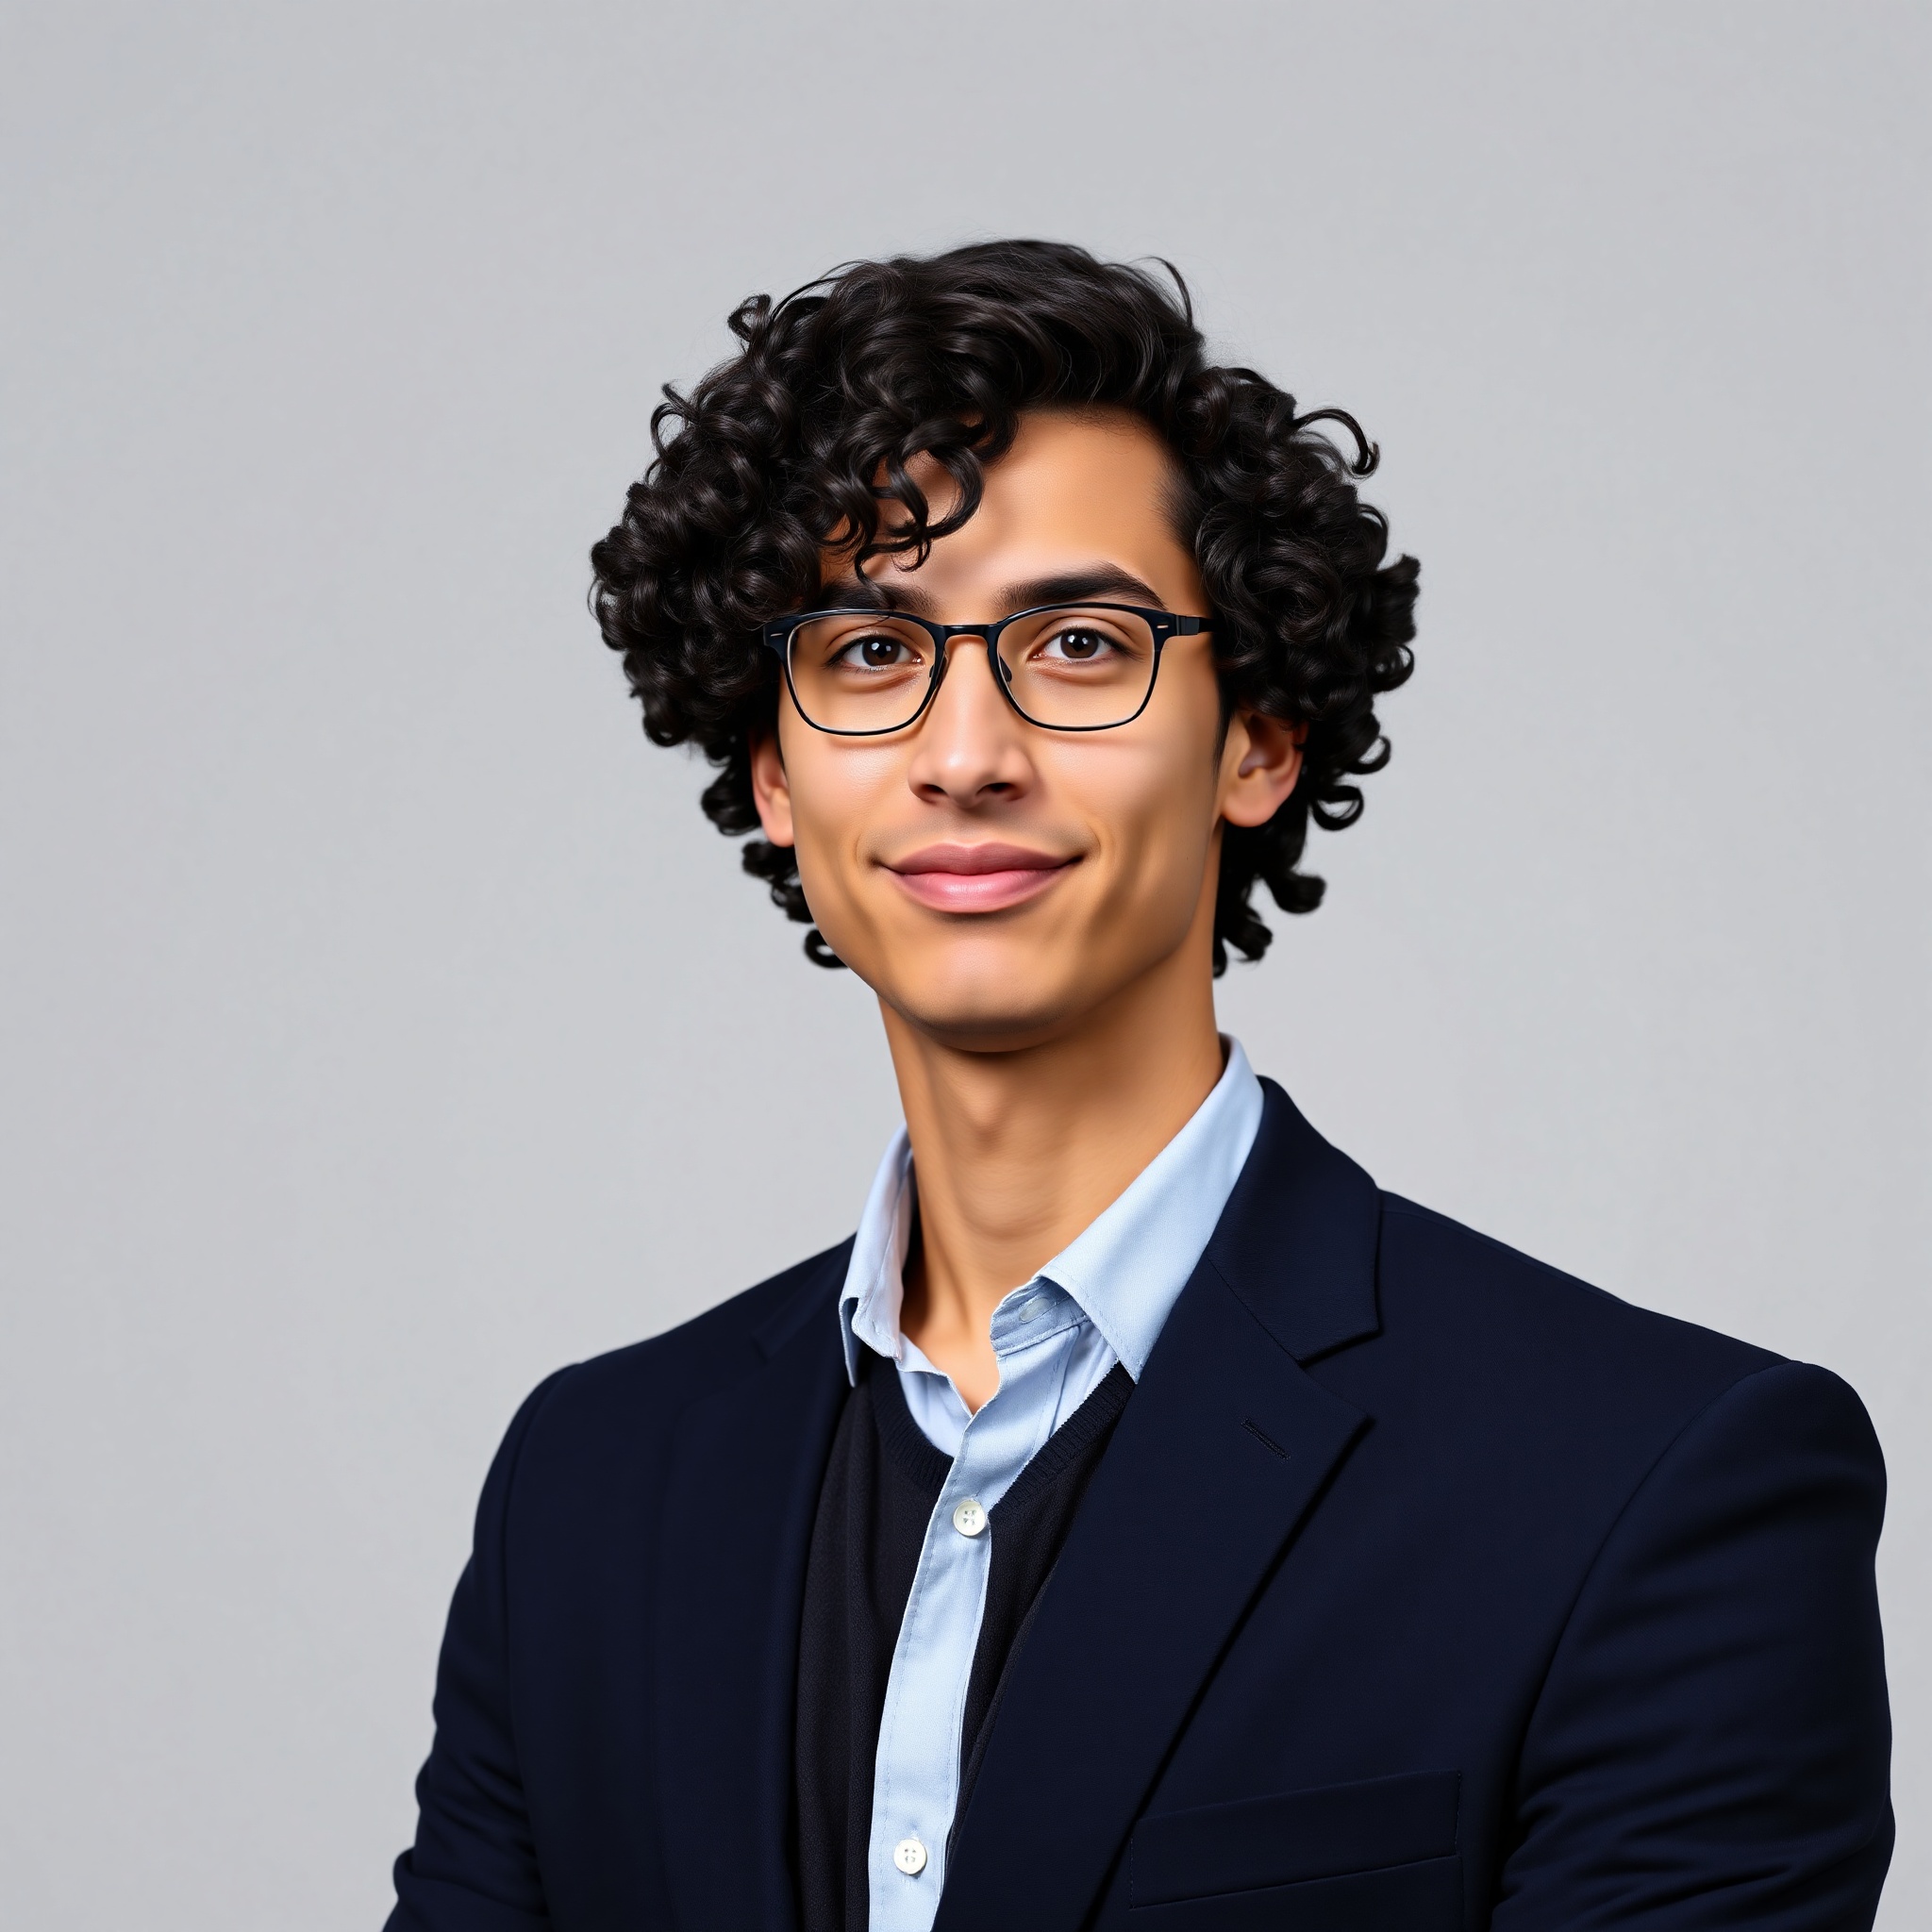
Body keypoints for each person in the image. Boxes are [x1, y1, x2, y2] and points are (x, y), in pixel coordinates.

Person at [386, 242, 1891, 1931]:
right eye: (874, 654)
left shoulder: (1656, 1487)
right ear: (775, 770)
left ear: (1257, 740)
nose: (965, 753)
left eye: (1082, 644)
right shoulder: (591, 1487)